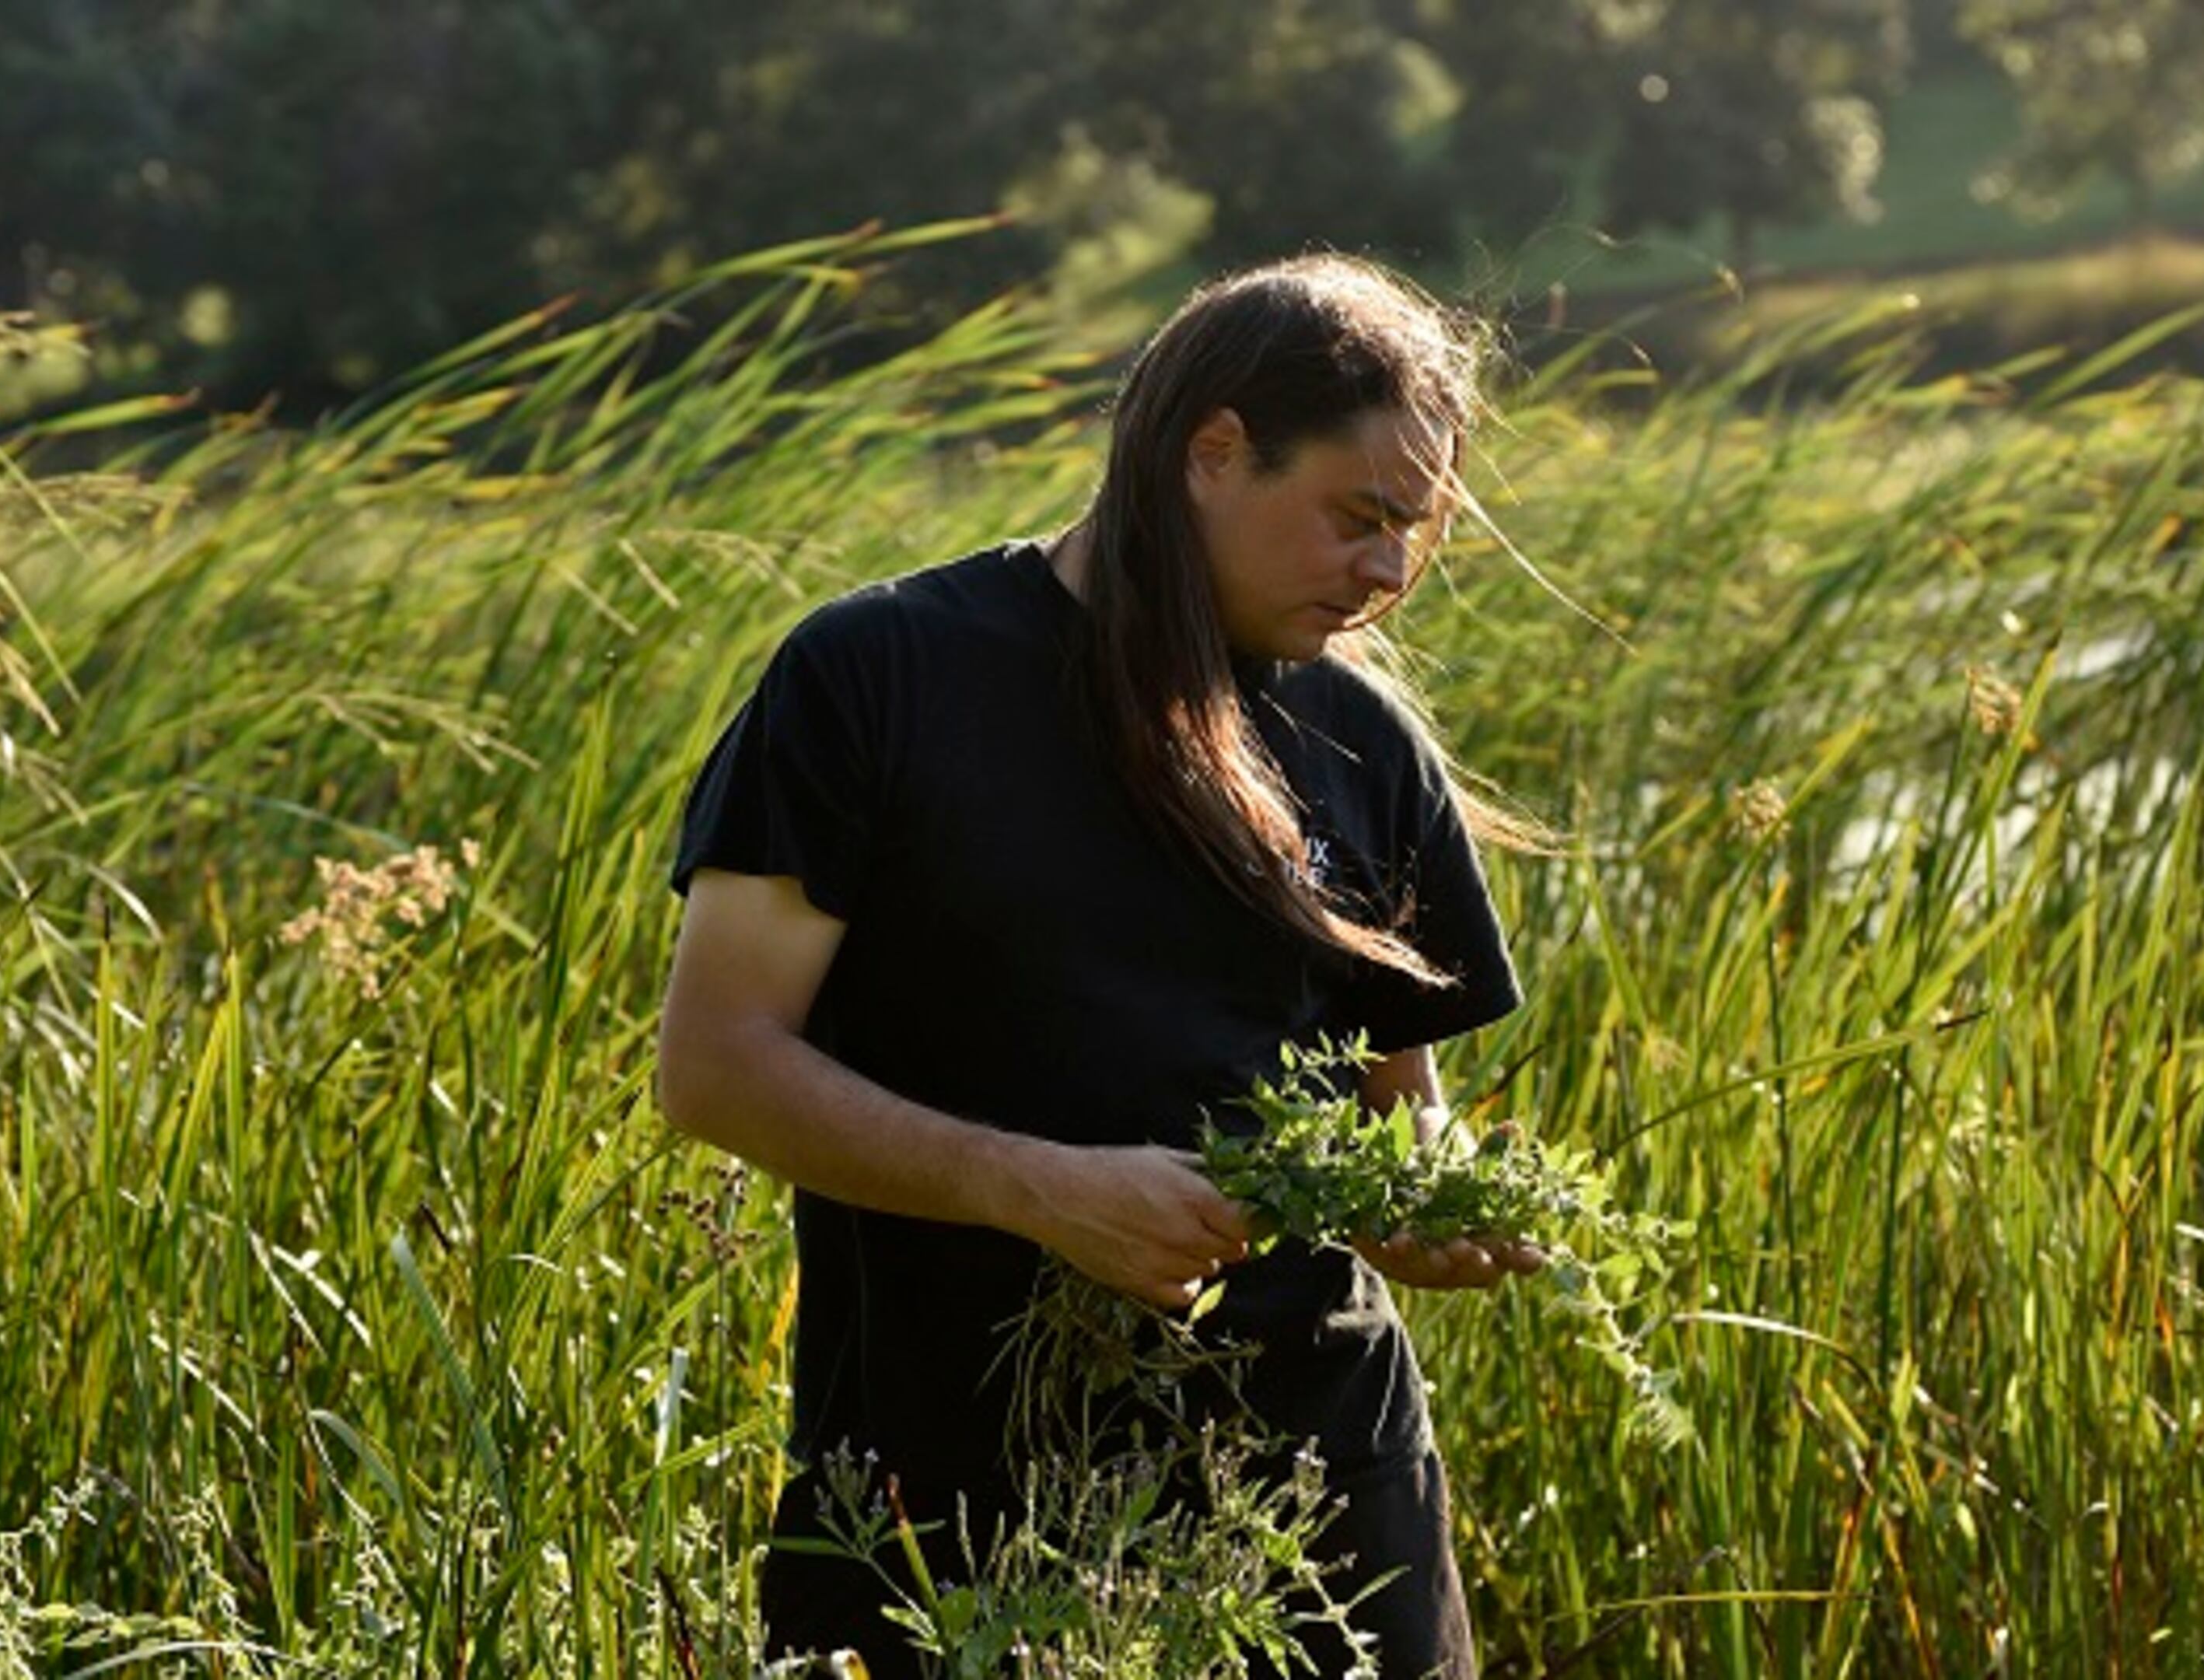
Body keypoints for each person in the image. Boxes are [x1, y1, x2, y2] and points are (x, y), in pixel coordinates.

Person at [657, 253, 1541, 1679]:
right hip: (951, 1506)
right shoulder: (877, 678)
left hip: (1319, 1509)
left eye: (1416, 534)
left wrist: (1427, 1212)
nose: (1389, 575)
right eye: (1361, 517)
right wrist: (1043, 1192)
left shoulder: (1368, 748)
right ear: (1214, 452)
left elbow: (1401, 1111)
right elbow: (715, 1066)